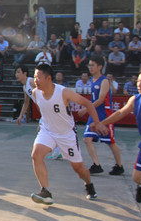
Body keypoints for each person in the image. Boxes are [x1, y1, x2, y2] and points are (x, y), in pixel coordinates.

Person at [28, 64, 100, 205]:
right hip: (47, 131)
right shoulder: (36, 93)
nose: (35, 80)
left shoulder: (63, 92)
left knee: (78, 169)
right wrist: (42, 122)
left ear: (49, 78)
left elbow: (88, 103)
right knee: (36, 155)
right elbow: (42, 109)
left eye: (38, 77)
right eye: (35, 77)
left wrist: (97, 123)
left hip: (66, 134)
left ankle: (88, 183)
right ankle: (45, 191)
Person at [92, 70, 141, 202]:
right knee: (137, 178)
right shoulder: (135, 100)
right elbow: (120, 113)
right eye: (139, 81)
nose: (139, 84)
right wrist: (101, 123)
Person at [78, 56, 124, 176]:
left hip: (105, 115)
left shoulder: (104, 81)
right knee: (87, 139)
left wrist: (87, 108)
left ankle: (119, 166)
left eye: (92, 65)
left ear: (100, 67)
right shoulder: (92, 80)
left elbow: (101, 99)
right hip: (94, 114)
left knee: (110, 141)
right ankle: (96, 165)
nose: (90, 67)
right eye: (89, 65)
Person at [14, 65, 60, 159]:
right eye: (16, 73)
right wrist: (20, 116)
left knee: (44, 130)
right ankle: (58, 150)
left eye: (18, 72)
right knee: (45, 130)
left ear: (25, 73)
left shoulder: (31, 81)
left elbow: (46, 88)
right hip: (44, 111)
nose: (16, 75)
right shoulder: (25, 87)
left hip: (49, 107)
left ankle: (57, 150)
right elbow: (26, 102)